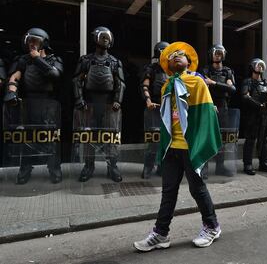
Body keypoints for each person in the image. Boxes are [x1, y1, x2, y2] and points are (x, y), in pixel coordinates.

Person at [133, 41, 222, 252]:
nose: (175, 56)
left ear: (189, 62)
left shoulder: (197, 83)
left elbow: (207, 116)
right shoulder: (166, 86)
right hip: (172, 147)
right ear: (167, 64)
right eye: (171, 55)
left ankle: (212, 226)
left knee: (197, 189)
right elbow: (166, 121)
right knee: (168, 191)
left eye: (180, 55)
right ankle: (161, 234)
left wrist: (200, 145)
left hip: (191, 146)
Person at [3, 28, 63, 184]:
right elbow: (14, 77)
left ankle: (54, 168)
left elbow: (55, 75)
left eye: (35, 41)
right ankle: (25, 167)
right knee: (27, 138)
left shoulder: (53, 59)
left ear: (44, 42)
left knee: (51, 139)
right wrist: (11, 91)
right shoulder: (22, 60)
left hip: (48, 104)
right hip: (28, 103)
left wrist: (37, 58)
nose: (31, 44)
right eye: (29, 41)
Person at [73, 26, 125, 182]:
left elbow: (120, 83)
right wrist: (79, 100)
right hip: (89, 103)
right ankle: (89, 166)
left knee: (111, 136)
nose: (106, 39)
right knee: (89, 136)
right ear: (95, 38)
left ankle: (112, 166)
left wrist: (117, 100)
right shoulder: (86, 60)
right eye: (103, 36)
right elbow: (76, 80)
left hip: (110, 104)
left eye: (108, 37)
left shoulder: (115, 62)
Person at [202, 44, 236, 178]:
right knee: (206, 136)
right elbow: (203, 87)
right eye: (216, 53)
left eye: (220, 53)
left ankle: (220, 167)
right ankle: (204, 167)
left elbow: (232, 89)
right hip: (208, 104)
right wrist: (224, 86)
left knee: (221, 138)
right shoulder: (205, 69)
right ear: (211, 54)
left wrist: (214, 83)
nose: (218, 55)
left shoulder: (227, 71)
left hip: (223, 105)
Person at [241, 58, 267, 175]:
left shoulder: (266, 82)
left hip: (265, 114)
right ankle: (248, 164)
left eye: (262, 65)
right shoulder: (248, 82)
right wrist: (258, 105)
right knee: (250, 140)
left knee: (264, 139)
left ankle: (264, 163)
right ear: (252, 67)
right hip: (252, 114)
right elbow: (245, 96)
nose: (260, 67)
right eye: (258, 65)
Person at [140, 41, 170, 179]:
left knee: (167, 140)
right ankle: (148, 166)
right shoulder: (151, 69)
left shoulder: (172, 70)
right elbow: (145, 86)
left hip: (169, 108)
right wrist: (148, 100)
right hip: (154, 108)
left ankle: (162, 167)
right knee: (153, 140)